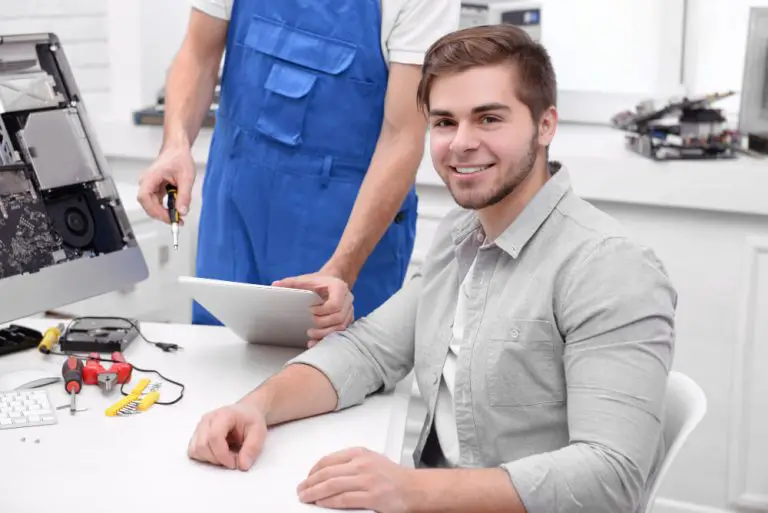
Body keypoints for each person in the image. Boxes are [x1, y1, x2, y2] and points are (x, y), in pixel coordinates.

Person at [187, 24, 678, 513]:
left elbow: (612, 479)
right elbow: (370, 351)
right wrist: (255, 407)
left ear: (546, 125)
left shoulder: (609, 267)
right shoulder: (461, 233)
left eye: (489, 119)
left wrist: (408, 490)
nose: (461, 143)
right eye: (444, 122)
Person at [137, 0, 461, 329]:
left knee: (335, 369)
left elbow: (402, 136)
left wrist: (341, 270)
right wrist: (175, 144)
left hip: (345, 228)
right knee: (219, 358)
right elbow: (197, 56)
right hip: (234, 213)